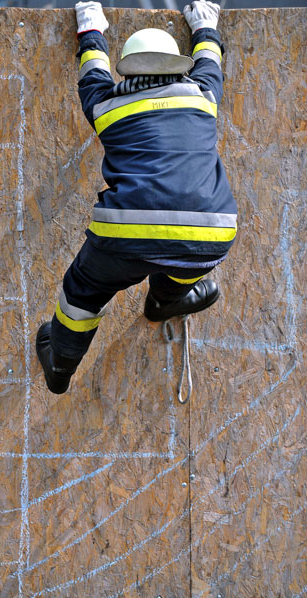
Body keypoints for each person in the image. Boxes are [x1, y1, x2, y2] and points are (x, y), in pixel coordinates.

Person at [36, 0, 238, 394]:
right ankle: (166, 299)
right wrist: (204, 25)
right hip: (211, 231)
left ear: (128, 70)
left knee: (84, 290)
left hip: (128, 232)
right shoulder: (202, 99)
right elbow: (210, 61)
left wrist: (90, 25)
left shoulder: (108, 106)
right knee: (189, 258)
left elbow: (92, 72)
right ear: (177, 67)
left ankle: (60, 365)